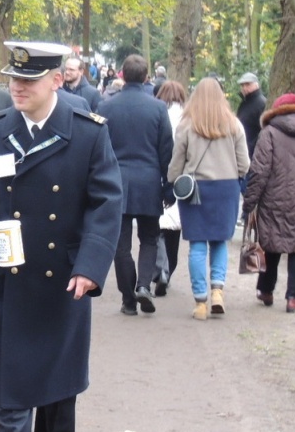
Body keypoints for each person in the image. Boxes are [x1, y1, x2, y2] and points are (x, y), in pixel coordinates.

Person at [0, 41, 122, 432]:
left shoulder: (88, 132)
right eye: (14, 79)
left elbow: (106, 203)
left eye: (28, 81)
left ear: (56, 80)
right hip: (9, 276)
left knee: (57, 373)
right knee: (10, 375)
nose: (18, 88)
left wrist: (91, 266)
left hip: (64, 275)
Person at [96, 54, 174, 316]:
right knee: (150, 238)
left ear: (121, 74)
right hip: (149, 181)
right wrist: (168, 185)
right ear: (146, 76)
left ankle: (128, 298)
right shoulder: (158, 108)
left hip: (115, 182)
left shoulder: (105, 107)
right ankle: (143, 285)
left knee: (121, 245)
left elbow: (98, 149)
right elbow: (166, 149)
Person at [167, 78, 250, 320]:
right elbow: (245, 164)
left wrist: (173, 180)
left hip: (196, 191)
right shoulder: (234, 125)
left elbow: (176, 164)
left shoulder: (186, 125)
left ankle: (200, 302)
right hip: (226, 190)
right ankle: (217, 292)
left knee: (197, 245)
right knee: (219, 242)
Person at [242, 93, 295, 313]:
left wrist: (249, 202)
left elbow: (259, 171)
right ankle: (293, 299)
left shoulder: (269, 133)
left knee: (272, 244)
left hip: (275, 200)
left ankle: (266, 290)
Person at [153, 80, 188, 297]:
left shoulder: (156, 113)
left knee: (157, 224)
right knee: (175, 226)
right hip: (181, 176)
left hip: (157, 172)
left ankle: (161, 268)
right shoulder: (188, 116)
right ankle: (170, 269)